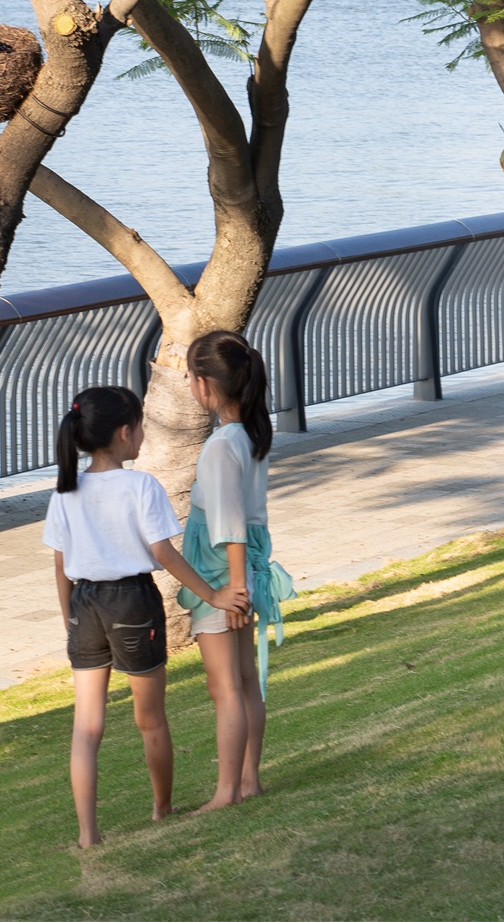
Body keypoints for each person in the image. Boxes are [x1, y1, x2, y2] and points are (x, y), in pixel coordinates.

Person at [45, 385, 246, 848]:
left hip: (84, 606)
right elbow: (163, 552)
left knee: (87, 726)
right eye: (140, 428)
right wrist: (213, 596)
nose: (141, 437)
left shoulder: (65, 490)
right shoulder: (139, 486)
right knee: (150, 718)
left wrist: (68, 621)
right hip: (131, 600)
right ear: (123, 432)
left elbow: (60, 565)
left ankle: (88, 834)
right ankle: (161, 808)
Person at [178, 331, 292, 811]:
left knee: (225, 686)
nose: (187, 382)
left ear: (204, 385)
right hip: (239, 569)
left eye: (188, 374)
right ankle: (248, 781)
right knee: (244, 682)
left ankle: (228, 790)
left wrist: (236, 591)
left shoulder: (222, 446)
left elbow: (230, 525)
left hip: (223, 573)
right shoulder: (249, 432)